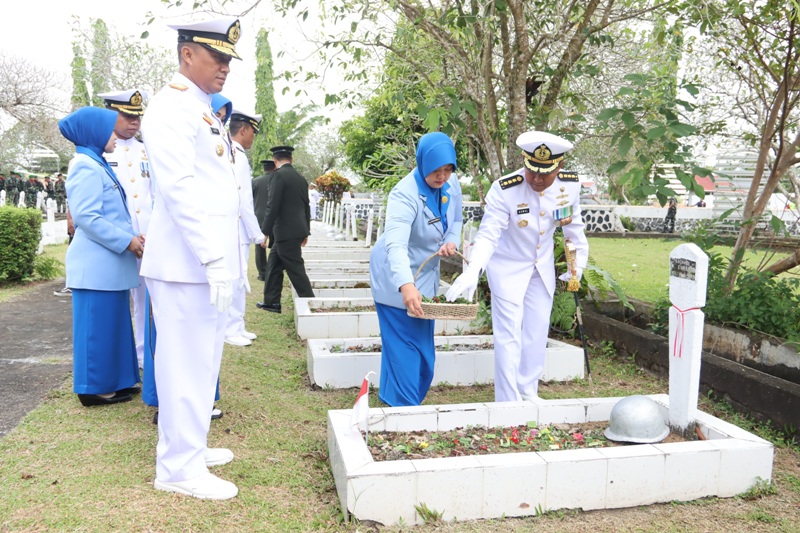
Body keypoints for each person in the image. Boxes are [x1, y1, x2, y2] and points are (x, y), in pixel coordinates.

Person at [140, 16, 244, 501]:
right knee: (184, 363)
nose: (225, 67)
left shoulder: (201, 109)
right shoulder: (170, 107)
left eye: (228, 59)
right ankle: (177, 468)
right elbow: (179, 189)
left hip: (202, 263)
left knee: (204, 361)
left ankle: (191, 447)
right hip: (185, 264)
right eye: (216, 56)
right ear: (187, 54)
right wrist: (211, 258)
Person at [446, 131, 588, 402]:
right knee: (508, 336)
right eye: (531, 170)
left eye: (544, 174)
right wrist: (473, 270)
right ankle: (508, 401)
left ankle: (527, 390)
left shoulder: (569, 187)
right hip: (507, 268)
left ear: (559, 167)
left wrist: (576, 266)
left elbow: (573, 232)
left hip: (541, 269)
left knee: (536, 332)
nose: (535, 178)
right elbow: (489, 233)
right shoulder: (505, 188)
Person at [369, 132, 462, 406]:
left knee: (422, 354)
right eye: (436, 170)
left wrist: (450, 241)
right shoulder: (404, 194)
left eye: (448, 169)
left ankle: (392, 395)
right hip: (395, 277)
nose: (442, 176)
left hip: (424, 277)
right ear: (422, 163)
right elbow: (395, 245)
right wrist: (405, 285)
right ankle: (405, 410)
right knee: (404, 350)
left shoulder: (450, 184)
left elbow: (456, 219)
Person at [58, 106, 143, 407]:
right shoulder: (84, 165)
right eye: (109, 130)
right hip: (95, 266)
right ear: (94, 132)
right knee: (96, 331)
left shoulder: (97, 162)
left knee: (112, 327)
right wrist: (128, 241)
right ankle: (94, 389)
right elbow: (88, 218)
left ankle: (113, 381)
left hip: (107, 266)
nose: (115, 137)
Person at [99, 88, 152, 369]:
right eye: (126, 116)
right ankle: (117, 359)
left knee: (145, 298)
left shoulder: (147, 150)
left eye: (137, 117)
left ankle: (142, 355)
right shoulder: (101, 150)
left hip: (146, 237)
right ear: (111, 115)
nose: (133, 122)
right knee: (116, 302)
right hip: (115, 238)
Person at [256, 145, 314, 313]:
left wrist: (265, 232)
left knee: (296, 270)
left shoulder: (278, 176)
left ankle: (310, 302)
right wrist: (306, 230)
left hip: (284, 232)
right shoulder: (300, 178)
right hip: (295, 231)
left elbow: (272, 205)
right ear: (291, 159)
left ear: (275, 161)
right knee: (273, 265)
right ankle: (272, 302)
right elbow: (306, 206)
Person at [225, 109, 265, 346]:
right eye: (253, 133)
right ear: (243, 130)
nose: (253, 138)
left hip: (236, 228)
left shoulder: (234, 153)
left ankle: (237, 325)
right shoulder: (237, 156)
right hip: (236, 228)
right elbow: (244, 201)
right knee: (236, 279)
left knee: (239, 279)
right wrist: (257, 233)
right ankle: (231, 329)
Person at [252, 159, 276, 281]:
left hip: (259, 217)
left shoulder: (255, 181)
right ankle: (275, 270)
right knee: (276, 245)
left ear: (264, 169)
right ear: (275, 167)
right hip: (275, 217)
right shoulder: (277, 181)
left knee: (259, 247)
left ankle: (262, 273)